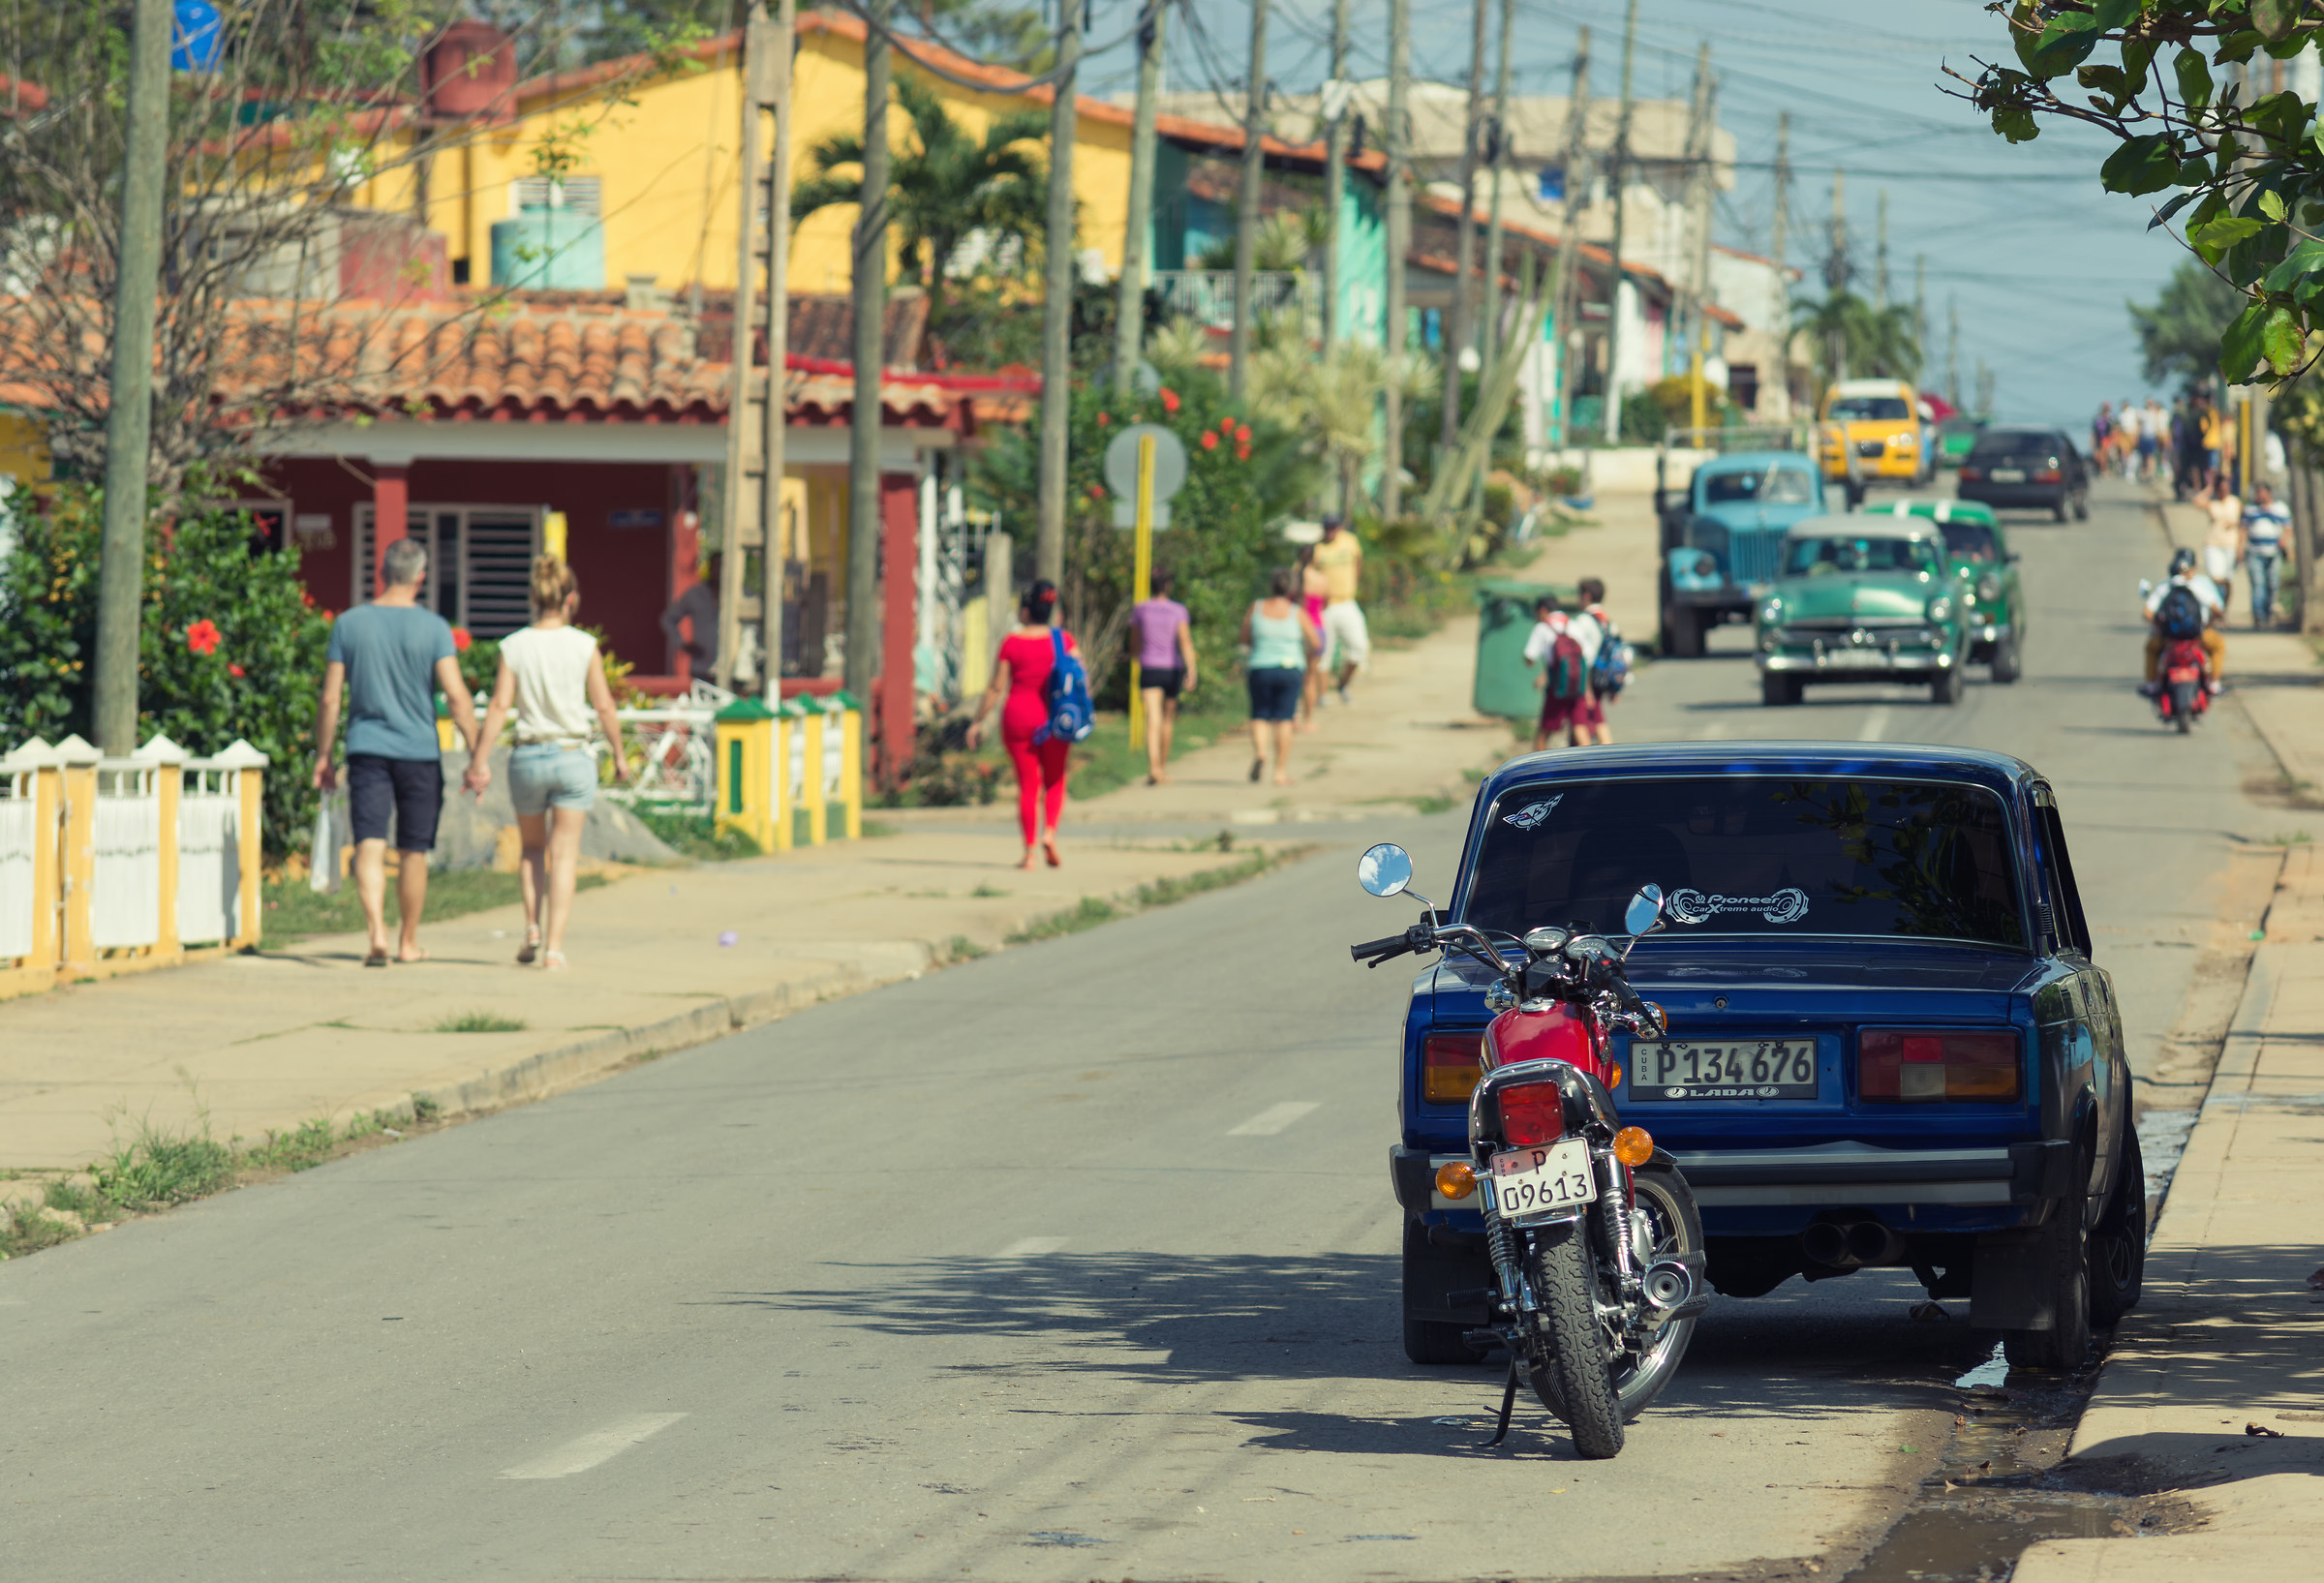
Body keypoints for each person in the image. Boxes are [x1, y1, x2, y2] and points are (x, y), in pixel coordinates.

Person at [313, 536, 483, 967]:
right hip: (419, 753)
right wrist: (476, 758)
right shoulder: (434, 628)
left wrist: (324, 756)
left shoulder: (349, 624)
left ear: (382, 572)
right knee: (413, 849)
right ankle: (408, 941)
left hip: (367, 748)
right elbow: (458, 698)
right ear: (421, 578)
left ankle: (376, 934)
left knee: (369, 842)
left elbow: (331, 699)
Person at [464, 556, 630, 971]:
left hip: (528, 757)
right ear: (571, 598)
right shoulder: (584, 645)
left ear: (534, 599)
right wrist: (621, 754)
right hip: (573, 756)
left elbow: (501, 705)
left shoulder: (514, 646)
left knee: (532, 849)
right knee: (565, 853)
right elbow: (605, 706)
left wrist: (479, 761)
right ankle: (554, 948)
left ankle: (531, 928)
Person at [966, 579, 1079, 869]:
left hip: (1018, 718)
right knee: (1054, 780)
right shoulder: (1064, 641)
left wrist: (977, 721)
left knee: (1028, 786)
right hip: (1055, 719)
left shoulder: (1011, 643)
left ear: (1026, 611)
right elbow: (1081, 679)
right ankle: (1050, 833)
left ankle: (1029, 853)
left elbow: (995, 687)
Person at [1240, 566, 1323, 786]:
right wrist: (1306, 659)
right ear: (1291, 589)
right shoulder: (1297, 612)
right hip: (1289, 669)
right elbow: (1316, 642)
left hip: (1260, 667)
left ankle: (1260, 753)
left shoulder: (1256, 608)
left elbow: (1245, 638)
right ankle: (1280, 772)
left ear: (1271, 585)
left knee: (1260, 715)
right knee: (1285, 719)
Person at [1128, 570, 1196, 785]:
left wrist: (1136, 657)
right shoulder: (1178, 610)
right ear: (1168, 585)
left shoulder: (1140, 609)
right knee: (1167, 720)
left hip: (1149, 667)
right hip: (1172, 669)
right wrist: (1192, 670)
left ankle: (1153, 767)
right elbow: (1184, 640)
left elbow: (1135, 642)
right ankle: (1162, 768)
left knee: (1153, 719)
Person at [1525, 591, 1607, 751]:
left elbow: (1530, 656)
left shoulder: (1542, 627)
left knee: (1545, 731)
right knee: (1580, 727)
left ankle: (1536, 768)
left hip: (1556, 688)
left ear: (1542, 610)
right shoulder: (1573, 624)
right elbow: (1588, 656)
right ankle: (1589, 766)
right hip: (1578, 686)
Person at [2142, 546, 2226, 692]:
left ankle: (2151, 684)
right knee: (2218, 645)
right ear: (2192, 568)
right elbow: (2216, 609)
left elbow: (2147, 613)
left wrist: (2158, 626)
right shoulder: (2198, 586)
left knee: (2151, 648)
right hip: (2198, 636)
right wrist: (2212, 621)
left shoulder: (2164, 586)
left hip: (2168, 638)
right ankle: (2214, 683)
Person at [1309, 512, 1368, 703]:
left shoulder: (1350, 541)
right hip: (1325, 607)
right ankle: (1323, 694)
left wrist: (1353, 583)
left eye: (1334, 527)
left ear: (1340, 527)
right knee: (1324, 652)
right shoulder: (1317, 549)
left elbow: (1358, 562)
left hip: (1347, 602)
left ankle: (1343, 683)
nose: (1331, 531)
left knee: (1359, 647)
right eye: (1328, 528)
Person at [1576, 576, 1624, 744]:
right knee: (1594, 718)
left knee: (1585, 721)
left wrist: (1586, 688)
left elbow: (1584, 656)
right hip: (1604, 676)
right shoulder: (1608, 620)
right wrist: (1615, 688)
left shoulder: (1583, 620)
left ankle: (1603, 759)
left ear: (1586, 596)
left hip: (1589, 679)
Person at [660, 552, 720, 680]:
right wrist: (682, 644)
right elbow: (668, 619)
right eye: (715, 566)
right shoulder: (695, 595)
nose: (718, 570)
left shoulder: (739, 597)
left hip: (730, 667)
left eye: (722, 566)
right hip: (702, 667)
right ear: (709, 568)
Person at [2243, 480, 2293, 627]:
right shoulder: (2250, 509)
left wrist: (2284, 541)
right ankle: (2259, 616)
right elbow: (2243, 529)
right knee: (2258, 584)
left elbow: (2288, 527)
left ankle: (2268, 611)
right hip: (2254, 551)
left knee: (2273, 583)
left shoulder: (2280, 508)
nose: (2260, 496)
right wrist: (2240, 548)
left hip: (2274, 551)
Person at [1296, 541, 1330, 729]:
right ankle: (1309, 719)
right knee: (1310, 677)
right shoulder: (1322, 579)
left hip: (1297, 629)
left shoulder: (1294, 578)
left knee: (1296, 675)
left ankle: (1293, 715)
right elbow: (1326, 603)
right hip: (1317, 629)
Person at [2202, 477, 2242, 618]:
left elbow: (2242, 526)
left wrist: (2240, 548)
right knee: (2215, 579)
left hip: (2230, 545)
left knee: (2227, 580)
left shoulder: (2235, 503)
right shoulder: (2213, 503)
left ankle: (2223, 609)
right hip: (2213, 544)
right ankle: (2215, 609)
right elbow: (2196, 500)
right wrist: (2209, 489)